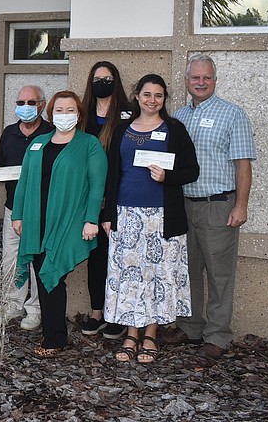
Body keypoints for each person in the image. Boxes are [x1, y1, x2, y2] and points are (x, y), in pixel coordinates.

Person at [100, 74, 199, 364]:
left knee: (156, 277)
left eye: (158, 95)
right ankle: (131, 334)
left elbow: (191, 171)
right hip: (126, 214)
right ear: (137, 96)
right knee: (130, 278)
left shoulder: (174, 130)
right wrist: (107, 216)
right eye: (147, 94)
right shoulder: (121, 130)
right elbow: (111, 175)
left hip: (161, 217)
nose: (152, 100)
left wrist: (168, 177)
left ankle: (151, 335)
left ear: (164, 98)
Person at [162, 54, 256, 360]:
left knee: (219, 273)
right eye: (195, 78)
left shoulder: (233, 115)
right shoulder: (177, 117)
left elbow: (243, 164)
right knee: (187, 270)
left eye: (207, 78)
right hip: (183, 205)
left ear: (215, 80)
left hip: (217, 205)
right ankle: (190, 328)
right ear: (187, 81)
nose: (200, 83)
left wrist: (240, 206)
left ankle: (218, 335)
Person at [12, 91, 107, 356]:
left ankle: (55, 339)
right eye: (59, 110)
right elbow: (24, 181)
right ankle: (54, 335)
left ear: (79, 114)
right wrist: (17, 215)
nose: (64, 115)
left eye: (70, 110)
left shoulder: (89, 144)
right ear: (50, 114)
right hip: (36, 221)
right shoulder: (38, 143)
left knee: (52, 276)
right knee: (44, 278)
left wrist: (91, 220)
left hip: (69, 222)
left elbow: (97, 186)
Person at [81, 61, 133, 340]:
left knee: (119, 257)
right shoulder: (82, 113)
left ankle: (118, 313)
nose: (103, 82)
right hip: (90, 197)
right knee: (96, 257)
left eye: (108, 78)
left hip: (120, 194)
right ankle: (96, 312)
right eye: (98, 78)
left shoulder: (129, 112)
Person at [0, 85, 53, 330]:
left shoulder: (52, 132)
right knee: (12, 258)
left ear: (42, 105)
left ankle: (36, 308)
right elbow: (1, 166)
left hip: (41, 210)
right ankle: (12, 304)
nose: (25, 108)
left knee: (36, 260)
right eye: (21, 103)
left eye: (31, 102)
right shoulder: (9, 133)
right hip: (12, 207)